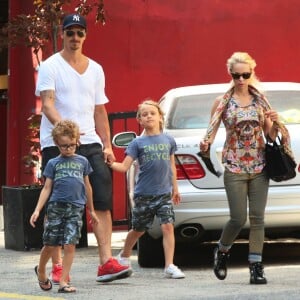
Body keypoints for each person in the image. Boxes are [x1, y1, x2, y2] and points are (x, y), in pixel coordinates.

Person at [35, 13, 132, 283]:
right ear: (63, 35)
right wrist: (68, 133)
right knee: (59, 203)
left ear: (85, 36)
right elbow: (48, 103)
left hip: (90, 143)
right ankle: (55, 266)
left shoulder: (96, 69)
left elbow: (100, 109)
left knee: (101, 200)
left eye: (79, 33)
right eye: (70, 33)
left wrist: (107, 144)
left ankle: (106, 263)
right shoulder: (51, 66)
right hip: (59, 143)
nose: (75, 38)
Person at [200, 52, 280, 284]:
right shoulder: (222, 101)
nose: (242, 79)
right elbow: (212, 129)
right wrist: (205, 144)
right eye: (237, 75)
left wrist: (274, 122)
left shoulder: (260, 100)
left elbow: (270, 135)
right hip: (234, 164)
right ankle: (222, 252)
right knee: (237, 218)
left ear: (252, 73)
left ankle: (256, 266)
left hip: (259, 164)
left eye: (246, 74)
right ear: (231, 75)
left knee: (257, 219)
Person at [108, 100, 185, 279]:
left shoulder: (168, 140)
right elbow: (125, 167)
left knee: (168, 227)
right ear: (140, 120)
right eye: (144, 114)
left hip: (164, 193)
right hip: (144, 194)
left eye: (152, 113)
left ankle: (169, 266)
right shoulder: (137, 143)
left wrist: (175, 188)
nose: (149, 116)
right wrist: (110, 163)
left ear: (160, 117)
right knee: (139, 229)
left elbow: (172, 166)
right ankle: (124, 255)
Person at [30, 120, 99, 293]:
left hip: (76, 208)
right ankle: (41, 270)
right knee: (50, 244)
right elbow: (47, 187)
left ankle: (63, 281)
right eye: (63, 146)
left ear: (77, 141)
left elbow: (87, 186)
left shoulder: (83, 161)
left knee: (70, 244)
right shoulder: (53, 163)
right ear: (56, 144)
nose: (68, 149)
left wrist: (92, 210)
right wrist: (38, 209)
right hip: (55, 207)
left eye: (71, 145)